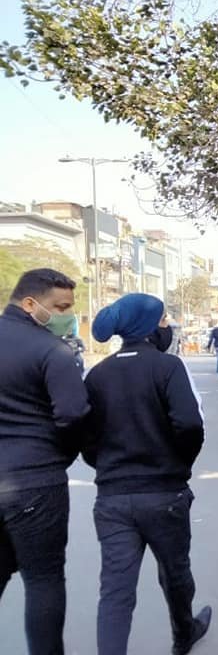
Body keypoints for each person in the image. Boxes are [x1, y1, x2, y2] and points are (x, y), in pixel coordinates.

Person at [84, 293, 210, 655]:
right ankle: (183, 636)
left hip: (111, 498)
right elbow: (189, 424)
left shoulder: (98, 374)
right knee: (175, 574)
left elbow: (84, 435)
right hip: (164, 494)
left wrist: (105, 466)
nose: (167, 326)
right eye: (163, 319)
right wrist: (178, 464)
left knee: (115, 590)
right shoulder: (167, 367)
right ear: (149, 326)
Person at [0, 268, 90, 655]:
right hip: (35, 483)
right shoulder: (52, 350)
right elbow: (74, 413)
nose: (67, 315)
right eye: (61, 307)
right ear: (31, 303)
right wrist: (61, 454)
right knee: (44, 580)